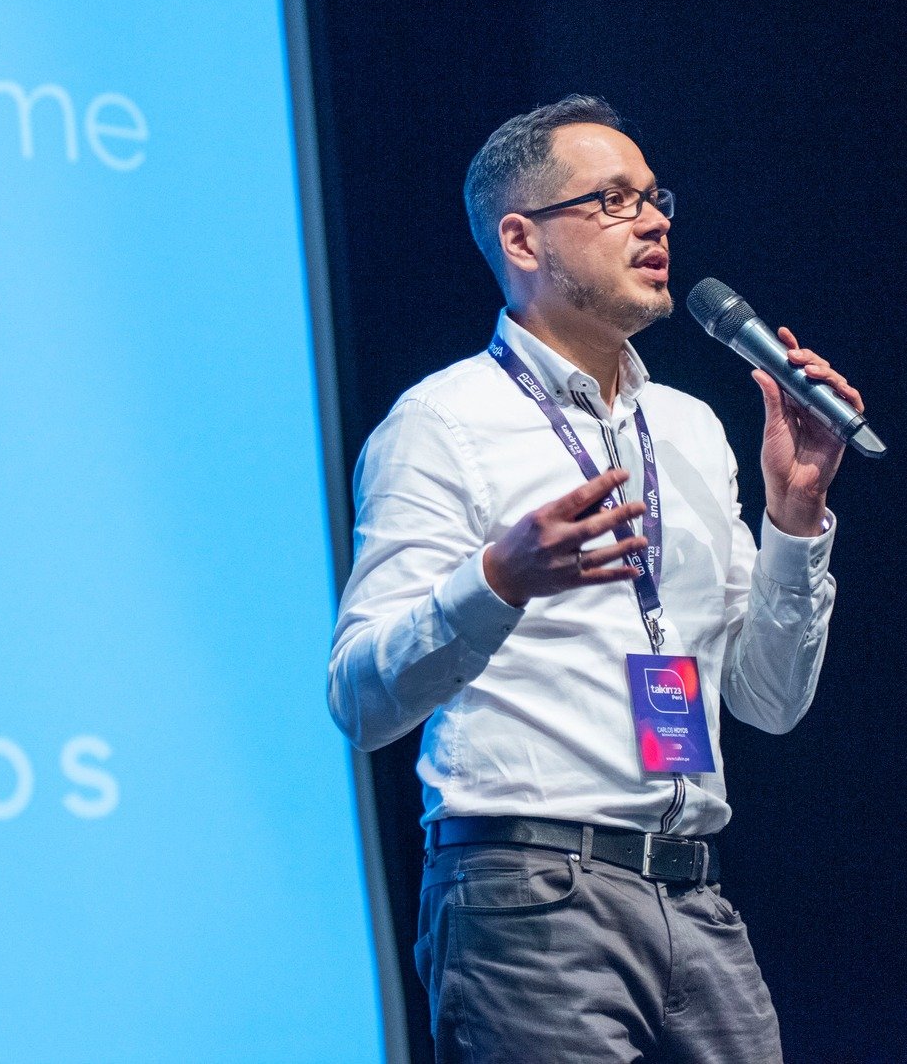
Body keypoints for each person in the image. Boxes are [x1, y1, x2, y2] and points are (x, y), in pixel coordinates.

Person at [327, 95, 866, 1063]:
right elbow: (360, 697)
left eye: (653, 197)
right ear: (520, 238)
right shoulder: (440, 423)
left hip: (694, 894)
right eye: (612, 200)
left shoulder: (691, 429)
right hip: (526, 895)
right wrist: (497, 579)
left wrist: (794, 517)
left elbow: (769, 700)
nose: (654, 220)